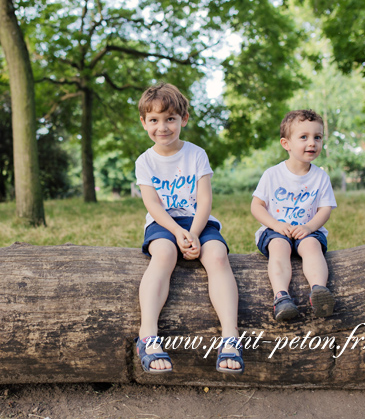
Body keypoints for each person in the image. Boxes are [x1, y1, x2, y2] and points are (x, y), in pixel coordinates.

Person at [134, 82, 243, 374]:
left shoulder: (195, 154)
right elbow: (153, 205)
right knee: (164, 255)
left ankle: (230, 337)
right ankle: (148, 336)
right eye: (154, 120)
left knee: (218, 255)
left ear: (184, 119)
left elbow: (205, 199)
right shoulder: (145, 161)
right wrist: (177, 232)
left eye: (170, 119)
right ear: (144, 123)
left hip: (198, 220)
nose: (163, 127)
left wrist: (194, 232)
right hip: (163, 223)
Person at [250, 109, 337, 322]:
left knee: (312, 246)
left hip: (307, 231)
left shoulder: (320, 177)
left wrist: (309, 227)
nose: (312, 143)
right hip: (276, 232)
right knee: (280, 247)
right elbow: (257, 206)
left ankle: (319, 291)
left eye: (317, 137)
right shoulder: (273, 174)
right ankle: (281, 296)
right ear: (286, 143)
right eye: (304, 137)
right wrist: (275, 224)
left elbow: (324, 209)